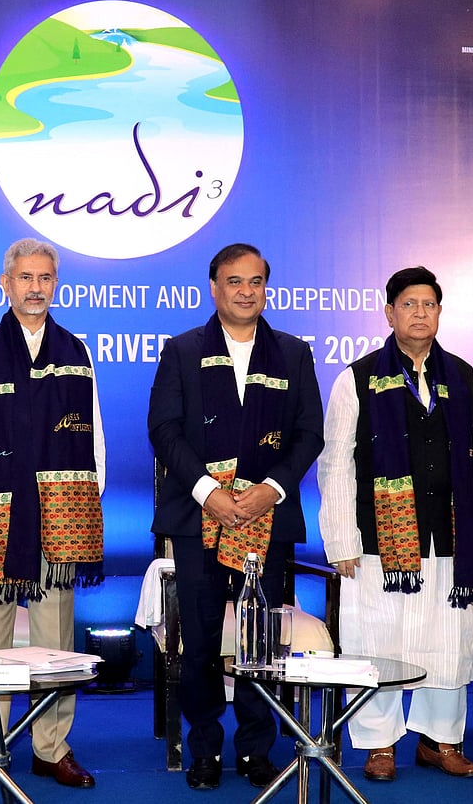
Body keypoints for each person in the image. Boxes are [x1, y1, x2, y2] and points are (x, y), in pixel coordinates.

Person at [317, 266, 473, 782]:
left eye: (429, 304)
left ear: (440, 313)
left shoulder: (464, 377)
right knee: (378, 637)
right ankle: (379, 745)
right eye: (408, 304)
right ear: (389, 312)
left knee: (448, 637)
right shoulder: (355, 379)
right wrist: (340, 539)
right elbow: (336, 464)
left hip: (448, 535)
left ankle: (440, 740)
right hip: (377, 539)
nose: (420, 313)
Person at [148, 243, 323, 791]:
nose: (246, 291)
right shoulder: (181, 351)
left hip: (266, 517)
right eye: (234, 281)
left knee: (260, 640)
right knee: (199, 641)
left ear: (266, 287)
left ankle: (254, 749)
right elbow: (164, 430)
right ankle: (204, 749)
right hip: (200, 515)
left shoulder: (293, 353)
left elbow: (309, 434)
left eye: (255, 282)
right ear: (214, 287)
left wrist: (270, 489)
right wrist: (207, 492)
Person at [0, 237, 105, 790]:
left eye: (45, 278)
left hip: (61, 518)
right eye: (25, 278)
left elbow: (94, 437)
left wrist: (86, 506)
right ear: (5, 284)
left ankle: (51, 747)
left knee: (55, 639)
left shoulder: (76, 351)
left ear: (53, 284)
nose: (35, 288)